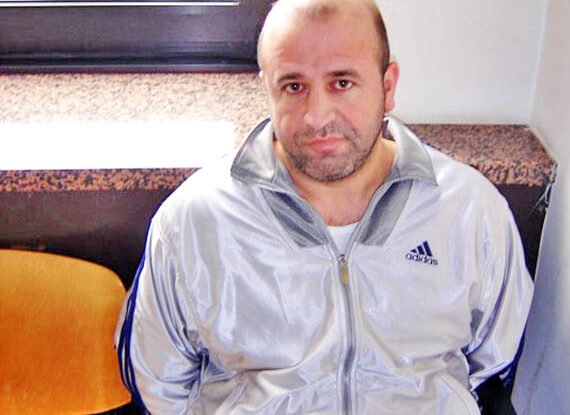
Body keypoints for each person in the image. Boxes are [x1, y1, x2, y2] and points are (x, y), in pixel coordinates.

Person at [115, 0, 533, 414]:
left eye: (342, 83)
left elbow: (493, 366)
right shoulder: (193, 221)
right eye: (294, 86)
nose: (317, 117)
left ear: (388, 87)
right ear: (268, 90)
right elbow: (158, 384)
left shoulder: (469, 210)